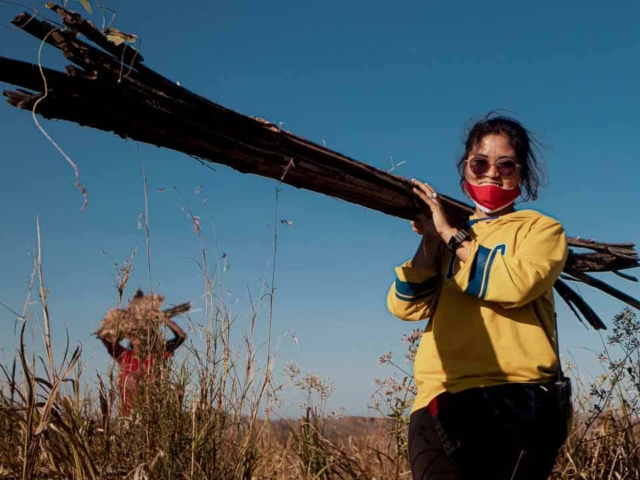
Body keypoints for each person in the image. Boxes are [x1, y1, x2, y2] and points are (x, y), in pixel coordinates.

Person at [387, 114, 571, 479]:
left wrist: (450, 236)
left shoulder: (541, 230)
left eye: (506, 165)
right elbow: (406, 305)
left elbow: (516, 283)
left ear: (521, 173)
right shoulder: (451, 234)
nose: (492, 173)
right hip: (437, 399)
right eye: (480, 163)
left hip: (518, 395)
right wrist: (430, 239)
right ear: (465, 168)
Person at [100, 305, 187, 416]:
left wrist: (163, 318)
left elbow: (181, 336)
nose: (138, 336)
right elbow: (104, 336)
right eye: (135, 333)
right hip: (127, 417)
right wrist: (118, 320)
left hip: (151, 417)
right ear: (130, 336)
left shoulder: (157, 355)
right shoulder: (124, 356)